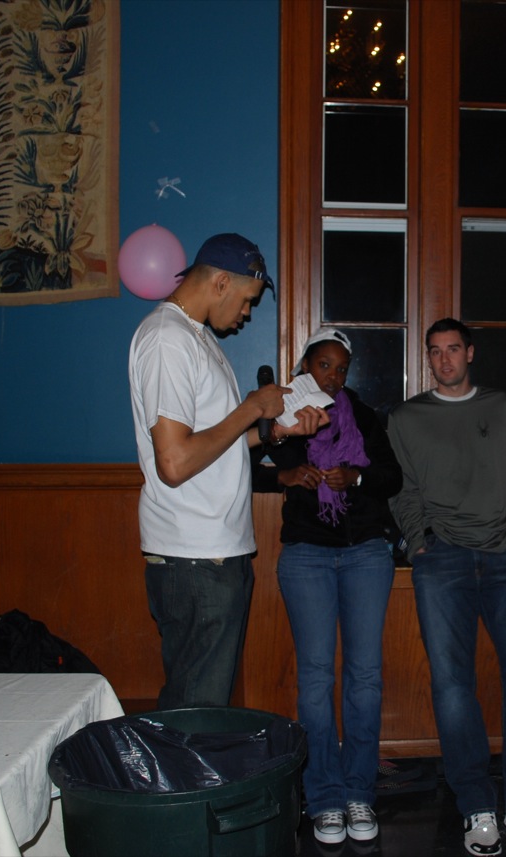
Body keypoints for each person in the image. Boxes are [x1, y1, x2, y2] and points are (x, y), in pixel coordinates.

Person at [128, 232, 328, 710]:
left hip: (214, 554)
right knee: (196, 712)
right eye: (247, 300)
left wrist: (276, 433)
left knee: (206, 707)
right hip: (195, 557)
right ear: (220, 282)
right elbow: (175, 463)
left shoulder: (195, 337)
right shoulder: (167, 339)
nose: (247, 313)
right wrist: (251, 407)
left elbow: (210, 444)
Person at [387, 318, 506, 857]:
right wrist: (419, 542)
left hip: (505, 558)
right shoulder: (406, 418)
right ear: (428, 358)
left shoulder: (503, 408)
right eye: (435, 351)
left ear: (470, 353)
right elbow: (401, 489)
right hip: (441, 558)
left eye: (453, 349)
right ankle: (476, 806)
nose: (444, 360)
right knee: (451, 684)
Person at [251, 326, 402, 845]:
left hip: (366, 554)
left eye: (341, 368)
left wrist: (355, 477)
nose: (333, 376)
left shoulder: (361, 414)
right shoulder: (280, 411)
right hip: (307, 556)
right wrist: (285, 476)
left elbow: (392, 477)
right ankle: (324, 798)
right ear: (303, 366)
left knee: (365, 677)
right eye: (324, 365)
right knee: (315, 680)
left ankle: (359, 791)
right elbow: (237, 468)